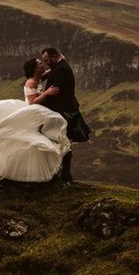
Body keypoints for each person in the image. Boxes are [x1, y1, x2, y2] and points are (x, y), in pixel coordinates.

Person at [40, 47, 91, 182]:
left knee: (62, 142)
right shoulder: (59, 66)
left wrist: (39, 105)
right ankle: (63, 173)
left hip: (63, 110)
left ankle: (64, 173)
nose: (46, 63)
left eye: (47, 60)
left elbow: (55, 92)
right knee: (63, 142)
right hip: (65, 108)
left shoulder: (60, 69)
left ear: (54, 57)